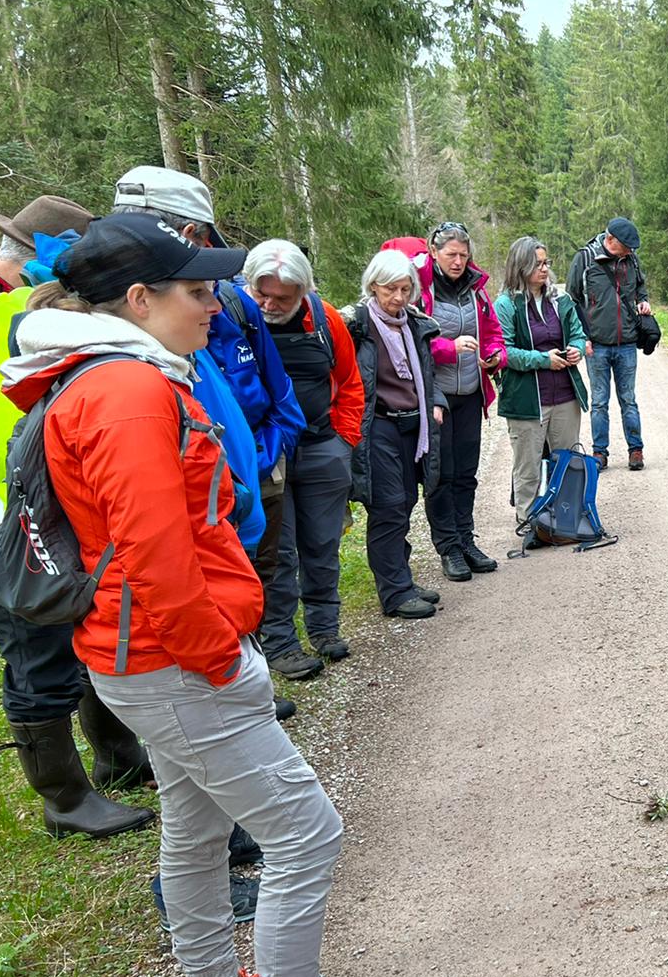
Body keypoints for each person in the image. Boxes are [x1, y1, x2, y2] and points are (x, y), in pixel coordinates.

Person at [1, 213, 407, 977]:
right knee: (307, 833)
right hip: (175, 661)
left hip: (139, 657)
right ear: (138, 300)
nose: (215, 307)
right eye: (196, 291)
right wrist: (221, 658)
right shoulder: (127, 392)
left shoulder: (98, 376)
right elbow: (157, 551)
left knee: (194, 826)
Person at [0, 199, 154, 839]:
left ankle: (117, 755)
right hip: (14, 516)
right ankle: (63, 798)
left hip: (56, 502)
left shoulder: (40, 312)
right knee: (36, 647)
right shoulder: (28, 315)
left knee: (83, 625)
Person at [114, 166, 306, 657]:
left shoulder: (232, 306)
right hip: (200, 505)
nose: (209, 302)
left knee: (262, 574)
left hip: (253, 479)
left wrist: (262, 459)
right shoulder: (123, 337)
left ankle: (261, 656)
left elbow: (280, 395)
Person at [243, 240, 365, 679]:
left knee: (323, 544)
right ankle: (281, 643)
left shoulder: (324, 319)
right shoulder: (235, 319)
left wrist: (343, 441)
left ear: (304, 292)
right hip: (265, 455)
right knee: (277, 553)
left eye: (283, 297)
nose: (271, 305)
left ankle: (325, 628)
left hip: (322, 448)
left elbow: (349, 381)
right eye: (263, 294)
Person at [343, 250, 448, 620]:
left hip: (413, 426)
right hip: (377, 426)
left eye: (405, 289)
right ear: (373, 285)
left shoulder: (414, 324)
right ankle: (396, 593)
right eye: (390, 289)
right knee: (387, 507)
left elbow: (427, 373)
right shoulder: (356, 324)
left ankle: (401, 579)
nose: (398, 297)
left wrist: (435, 402)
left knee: (405, 502)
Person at [403, 224, 503, 581]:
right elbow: (410, 339)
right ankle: (449, 548)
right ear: (434, 252)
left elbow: (492, 332)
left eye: (463, 255)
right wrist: (449, 347)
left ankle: (466, 540)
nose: (458, 262)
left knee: (465, 473)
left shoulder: (477, 288)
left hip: (471, 392)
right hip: (436, 396)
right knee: (441, 474)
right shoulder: (418, 288)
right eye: (451, 255)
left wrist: (495, 354)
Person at [493, 236, 589, 531]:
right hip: (525, 399)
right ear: (520, 266)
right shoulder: (506, 304)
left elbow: (578, 333)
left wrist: (576, 347)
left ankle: (566, 519)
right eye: (537, 264)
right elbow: (504, 352)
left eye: (547, 263)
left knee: (568, 462)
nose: (544, 269)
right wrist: (543, 360)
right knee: (528, 466)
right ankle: (529, 521)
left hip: (565, 395)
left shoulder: (560, 299)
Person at [567, 217, 651, 472]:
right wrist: (582, 337)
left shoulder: (631, 259)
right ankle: (599, 453)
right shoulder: (584, 258)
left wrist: (643, 301)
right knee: (599, 402)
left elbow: (640, 286)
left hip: (627, 342)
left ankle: (635, 450)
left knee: (629, 399)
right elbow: (571, 300)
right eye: (625, 247)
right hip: (597, 345)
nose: (629, 252)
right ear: (610, 239)